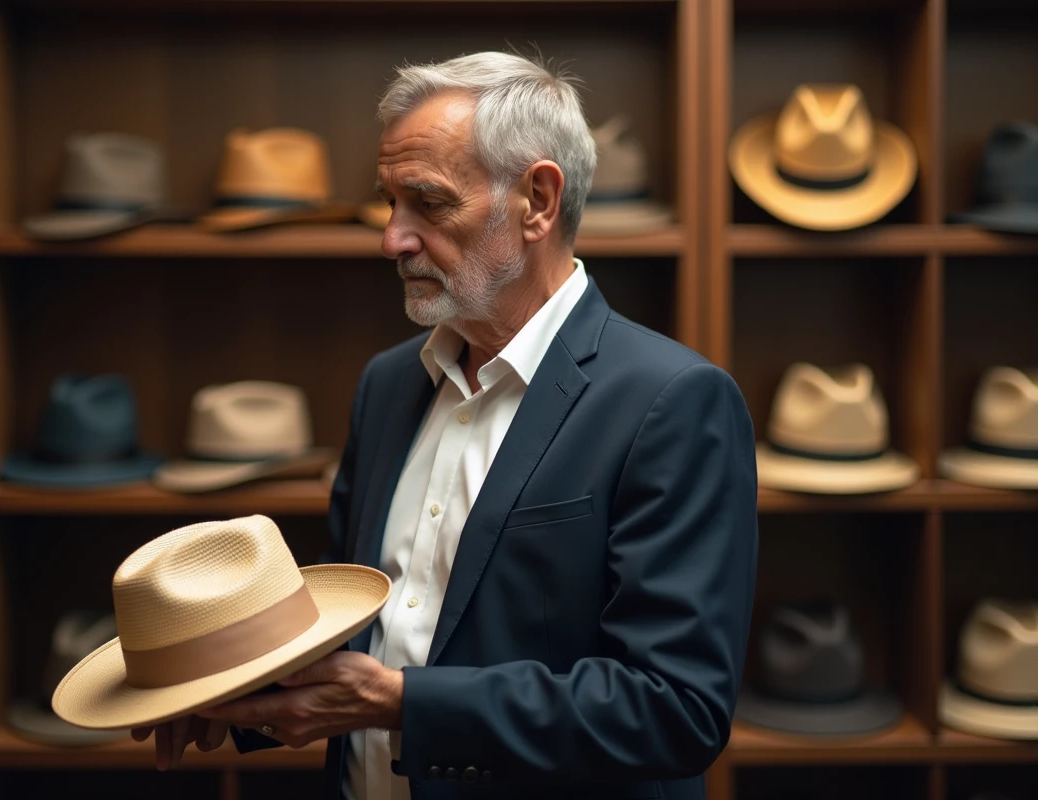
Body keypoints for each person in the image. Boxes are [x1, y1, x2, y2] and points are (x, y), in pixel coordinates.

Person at [132, 51, 759, 800]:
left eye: (427, 204)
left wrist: (402, 704)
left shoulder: (673, 400)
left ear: (537, 201)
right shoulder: (389, 383)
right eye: (389, 203)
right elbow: (352, 630)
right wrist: (240, 698)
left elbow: (676, 711)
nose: (392, 239)